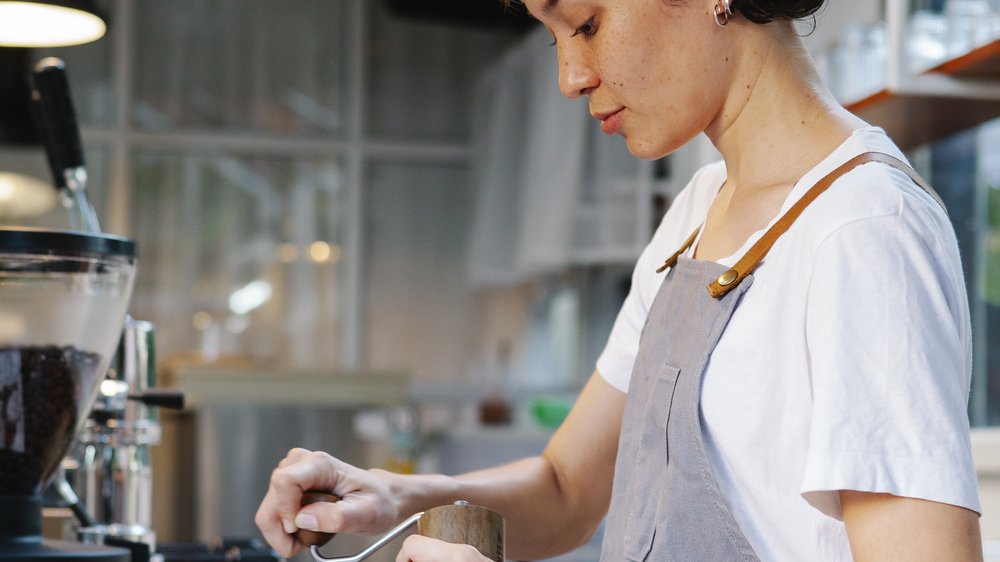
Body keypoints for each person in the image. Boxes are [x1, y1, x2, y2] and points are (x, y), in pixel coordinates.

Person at [256, 0, 985, 560]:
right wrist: (393, 497)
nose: (572, 78)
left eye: (588, 24)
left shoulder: (862, 231)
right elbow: (567, 489)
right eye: (555, 37)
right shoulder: (699, 212)